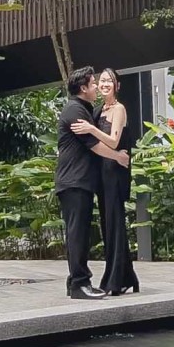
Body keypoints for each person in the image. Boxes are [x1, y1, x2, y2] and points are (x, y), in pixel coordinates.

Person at [56, 65, 128, 300]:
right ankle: (80, 283)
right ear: (83, 88)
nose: (98, 86)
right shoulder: (75, 110)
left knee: (80, 232)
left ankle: (74, 283)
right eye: (94, 83)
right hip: (74, 181)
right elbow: (94, 145)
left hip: (80, 182)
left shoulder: (87, 109)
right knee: (78, 234)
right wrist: (117, 156)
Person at [73, 67, 139, 295]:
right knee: (108, 225)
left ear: (117, 85)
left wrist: (91, 128)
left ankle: (114, 281)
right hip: (100, 173)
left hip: (114, 173)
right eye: (101, 81)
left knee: (114, 224)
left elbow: (113, 142)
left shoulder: (119, 109)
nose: (104, 84)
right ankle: (126, 277)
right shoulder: (98, 109)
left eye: (109, 81)